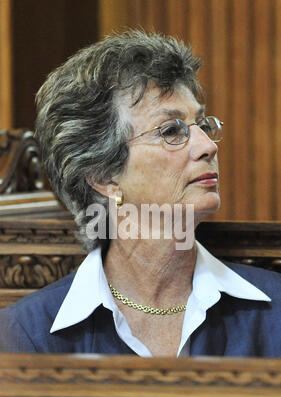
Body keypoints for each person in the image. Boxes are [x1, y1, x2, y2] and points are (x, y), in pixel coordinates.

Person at [0, 30, 280, 356]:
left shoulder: (275, 313)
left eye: (203, 125)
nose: (207, 146)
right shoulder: (25, 336)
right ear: (104, 175)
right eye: (171, 131)